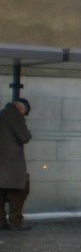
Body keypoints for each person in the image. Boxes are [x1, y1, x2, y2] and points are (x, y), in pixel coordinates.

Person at [0, 97, 32, 231]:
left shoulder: (1, 113)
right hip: (11, 164)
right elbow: (24, 136)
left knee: (0, 194)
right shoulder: (15, 115)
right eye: (25, 112)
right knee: (19, 192)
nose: (24, 115)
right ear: (21, 108)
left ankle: (1, 222)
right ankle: (15, 221)